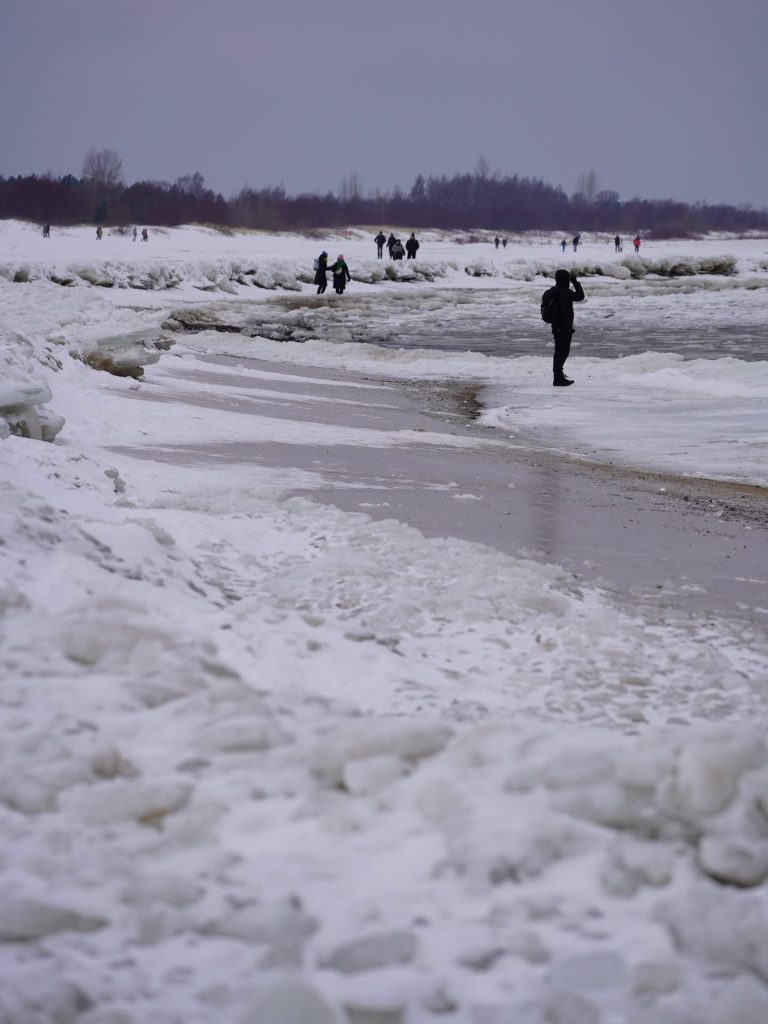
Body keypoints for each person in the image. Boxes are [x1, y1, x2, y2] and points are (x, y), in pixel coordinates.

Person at [540, 269, 585, 387]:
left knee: (559, 351)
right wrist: (575, 282)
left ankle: (559, 376)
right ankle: (558, 378)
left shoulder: (549, 292)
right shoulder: (567, 292)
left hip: (555, 326)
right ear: (566, 279)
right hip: (565, 327)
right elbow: (580, 296)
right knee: (562, 352)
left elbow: (543, 306)